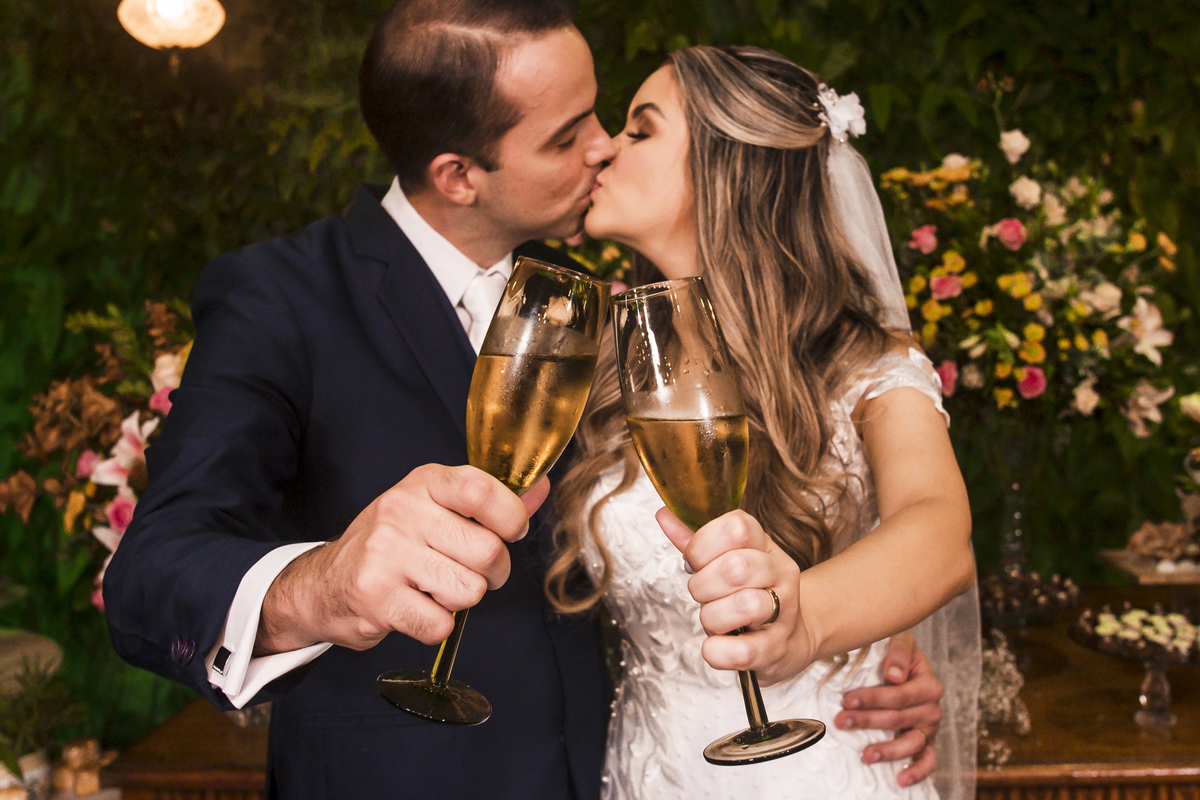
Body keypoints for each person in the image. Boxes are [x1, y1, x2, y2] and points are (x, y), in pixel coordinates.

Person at [103, 2, 952, 797]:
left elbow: (891, 515)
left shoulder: (623, 316)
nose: (601, 150)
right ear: (459, 174)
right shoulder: (281, 297)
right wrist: (322, 584)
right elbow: (148, 584)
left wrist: (860, 631)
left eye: (610, 120)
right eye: (567, 136)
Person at [547, 45, 981, 799]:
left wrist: (808, 620)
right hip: (647, 770)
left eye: (640, 131)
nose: (605, 151)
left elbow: (937, 528)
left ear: (727, 168)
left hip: (819, 770)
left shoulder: (864, 361)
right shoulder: (607, 353)